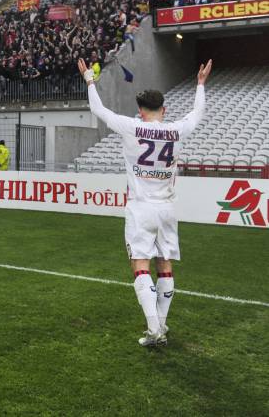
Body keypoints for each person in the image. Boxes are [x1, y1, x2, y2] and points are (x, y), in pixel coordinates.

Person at [78, 57, 211, 347]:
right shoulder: (177, 129)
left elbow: (97, 109)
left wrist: (89, 79)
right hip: (167, 208)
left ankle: (154, 329)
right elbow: (198, 113)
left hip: (140, 208)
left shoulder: (131, 126)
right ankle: (160, 326)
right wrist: (200, 84)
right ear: (163, 110)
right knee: (165, 266)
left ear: (140, 111)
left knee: (140, 265)